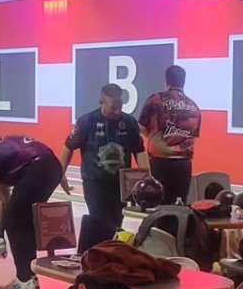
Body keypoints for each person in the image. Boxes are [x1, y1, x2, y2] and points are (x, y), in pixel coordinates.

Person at [61, 84, 147, 252]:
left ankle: (109, 255)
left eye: (120, 107)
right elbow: (68, 146)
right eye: (113, 107)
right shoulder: (87, 121)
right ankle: (95, 255)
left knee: (116, 222)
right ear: (102, 102)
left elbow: (140, 151)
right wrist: (60, 173)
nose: (117, 111)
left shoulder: (128, 122)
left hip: (120, 185)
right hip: (95, 183)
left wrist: (147, 177)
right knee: (98, 221)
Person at [0, 135, 67, 289]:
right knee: (25, 220)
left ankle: (24, 280)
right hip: (53, 166)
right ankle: (30, 275)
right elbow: (5, 194)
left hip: (37, 168)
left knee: (14, 220)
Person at [138, 65, 202, 205]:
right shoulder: (194, 106)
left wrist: (154, 136)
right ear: (183, 82)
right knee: (179, 206)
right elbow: (194, 137)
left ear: (166, 82)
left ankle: (161, 227)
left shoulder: (155, 100)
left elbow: (141, 127)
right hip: (184, 164)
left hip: (160, 163)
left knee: (159, 204)